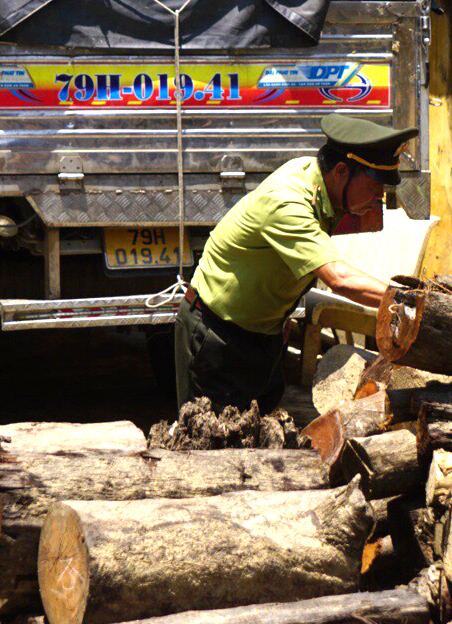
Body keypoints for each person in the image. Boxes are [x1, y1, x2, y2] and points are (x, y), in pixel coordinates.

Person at [174, 112, 418, 414]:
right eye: (374, 187)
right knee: (211, 446)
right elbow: (338, 278)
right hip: (217, 337)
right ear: (342, 171)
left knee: (261, 436)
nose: (379, 197)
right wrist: (411, 302)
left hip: (263, 335)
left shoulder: (318, 179)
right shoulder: (288, 202)